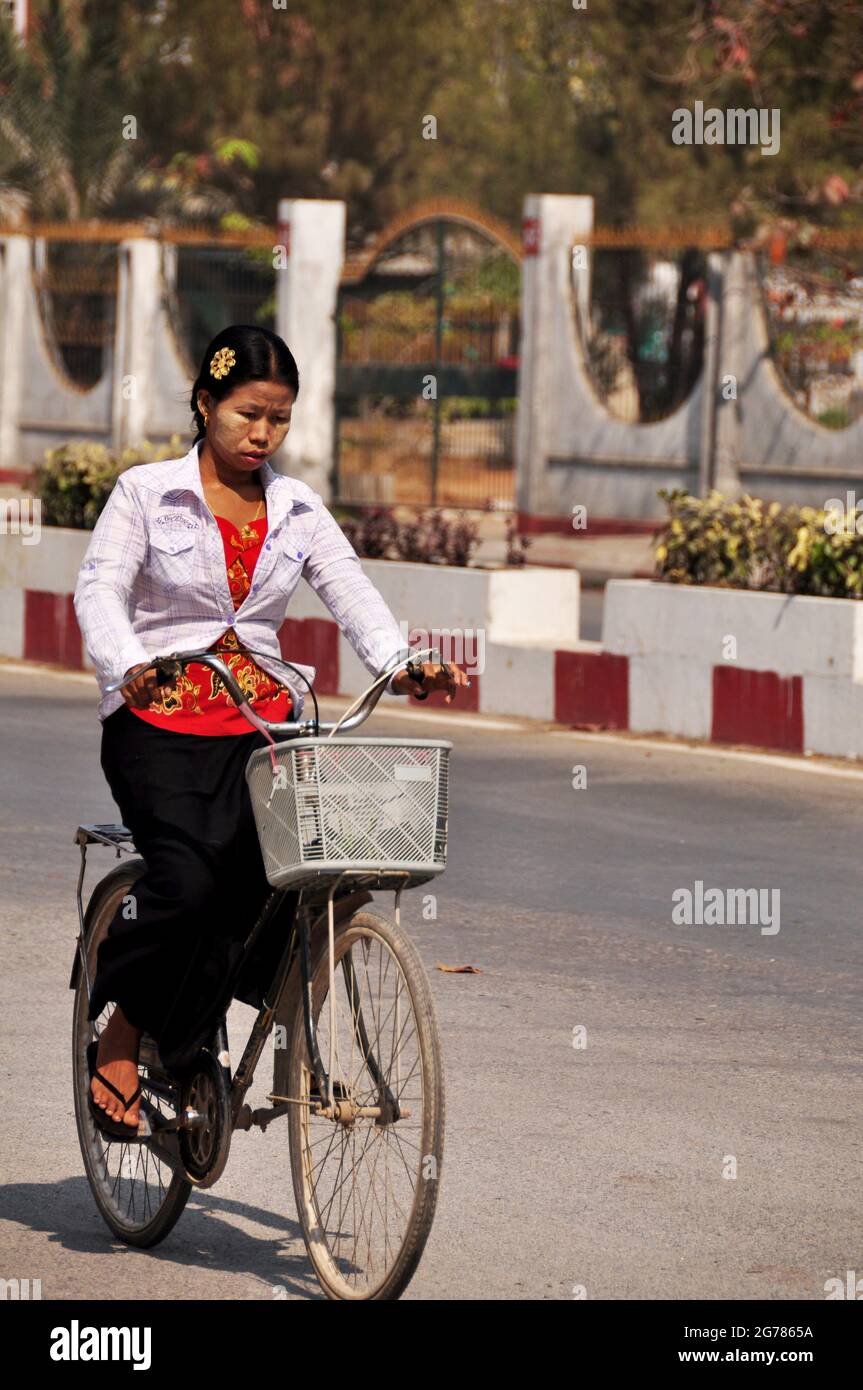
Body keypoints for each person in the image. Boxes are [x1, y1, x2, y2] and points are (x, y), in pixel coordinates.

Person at [74, 323, 468, 1134]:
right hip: (159, 721)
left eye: (279, 418)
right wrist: (127, 663)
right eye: (248, 413)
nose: (262, 434)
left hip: (263, 728)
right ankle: (120, 1023)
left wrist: (402, 661)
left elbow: (350, 590)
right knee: (188, 886)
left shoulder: (295, 508)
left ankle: (187, 1044)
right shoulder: (146, 493)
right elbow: (100, 589)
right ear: (205, 403)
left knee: (277, 894)